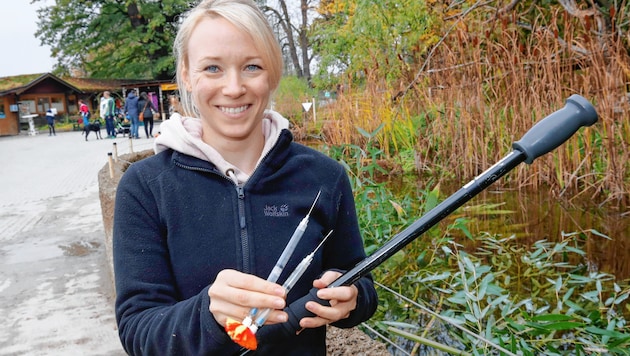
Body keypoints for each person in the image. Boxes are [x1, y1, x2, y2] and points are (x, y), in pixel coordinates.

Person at [112, 0, 378, 355]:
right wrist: (208, 313)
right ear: (187, 76)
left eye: (252, 66)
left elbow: (361, 282)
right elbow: (137, 331)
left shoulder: (325, 177)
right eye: (212, 68)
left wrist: (353, 298)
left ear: (272, 73)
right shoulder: (144, 188)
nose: (234, 87)